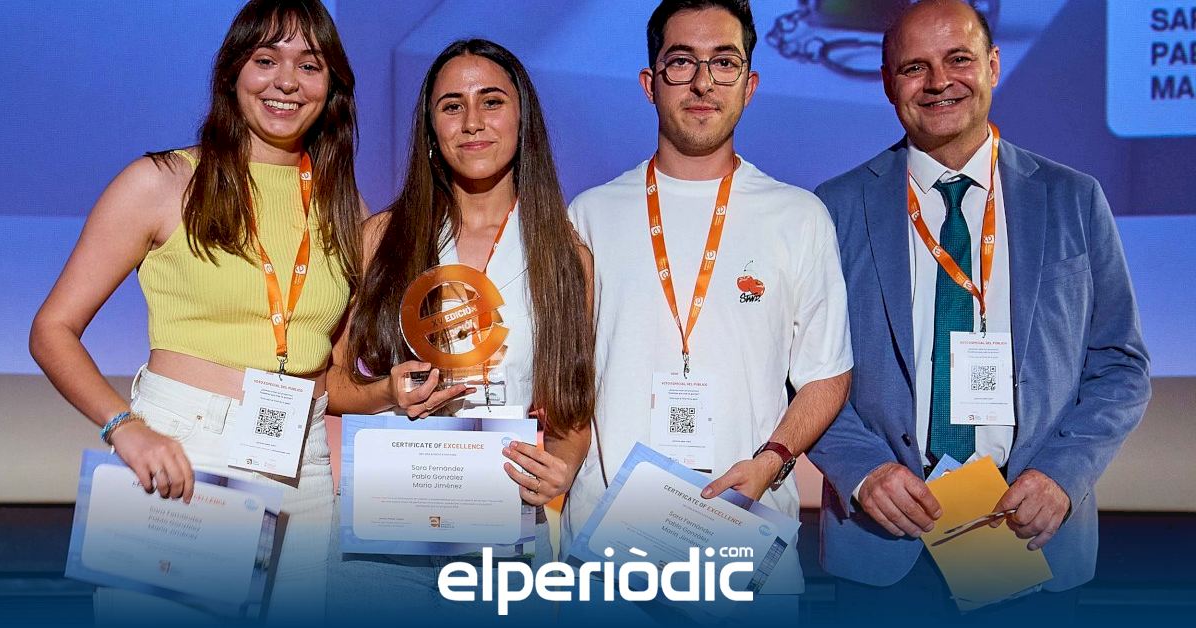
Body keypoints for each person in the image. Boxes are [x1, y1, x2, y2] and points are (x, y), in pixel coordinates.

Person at [806, 0, 1151, 622]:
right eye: (914, 67)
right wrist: (862, 471)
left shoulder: (1074, 199)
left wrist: (1061, 476)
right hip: (884, 541)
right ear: (887, 83)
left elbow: (1120, 367)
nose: (939, 82)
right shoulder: (832, 209)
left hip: (1031, 535)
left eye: (958, 59)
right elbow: (803, 372)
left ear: (992, 65)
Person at [28, 0, 362, 622]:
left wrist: (389, 395)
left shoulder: (344, 205)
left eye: (309, 64)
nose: (287, 81)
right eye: (266, 60)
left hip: (305, 466)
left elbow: (331, 371)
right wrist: (124, 427)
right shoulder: (161, 182)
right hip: (183, 452)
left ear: (331, 86)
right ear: (233, 73)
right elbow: (52, 329)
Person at [563, 0, 852, 617]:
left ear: (750, 84)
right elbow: (564, 377)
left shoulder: (799, 217)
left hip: (744, 540)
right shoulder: (588, 215)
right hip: (609, 550)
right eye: (681, 62)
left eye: (724, 62)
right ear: (649, 83)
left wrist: (773, 461)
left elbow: (826, 374)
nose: (702, 82)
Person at [325, 38, 595, 619]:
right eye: (452, 106)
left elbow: (571, 415)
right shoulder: (382, 239)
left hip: (505, 535)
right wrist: (386, 391)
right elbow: (332, 383)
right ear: (431, 128)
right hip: (387, 533)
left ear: (522, 118)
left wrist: (563, 466)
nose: (472, 121)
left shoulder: (565, 257)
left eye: (491, 101)